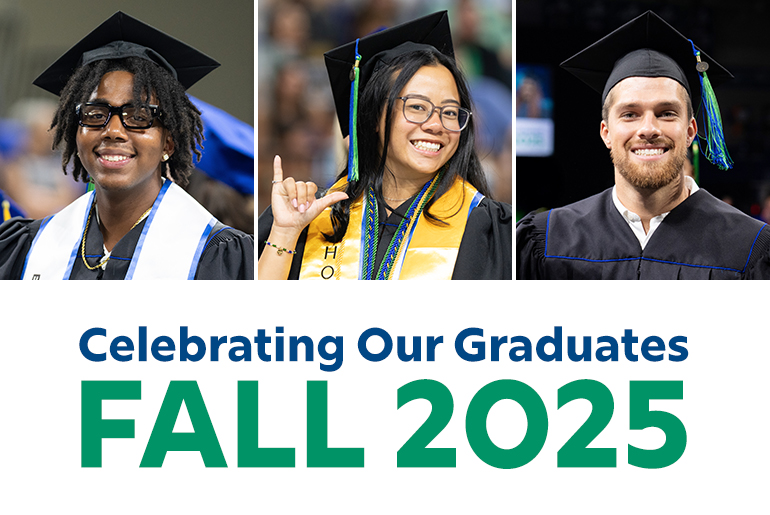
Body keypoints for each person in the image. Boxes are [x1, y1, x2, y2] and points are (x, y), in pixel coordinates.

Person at [257, 11, 512, 280]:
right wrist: (285, 233)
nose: (436, 125)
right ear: (373, 116)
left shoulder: (488, 228)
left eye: (450, 112)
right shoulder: (312, 216)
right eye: (417, 107)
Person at [517, 11, 770, 280]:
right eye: (630, 114)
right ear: (606, 132)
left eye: (666, 113)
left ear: (690, 131)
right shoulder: (548, 241)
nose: (648, 129)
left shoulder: (749, 247)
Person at [0, 12, 253, 280]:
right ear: (77, 133)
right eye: (95, 114)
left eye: (139, 117)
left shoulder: (218, 254)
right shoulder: (28, 246)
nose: (113, 131)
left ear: (168, 142)